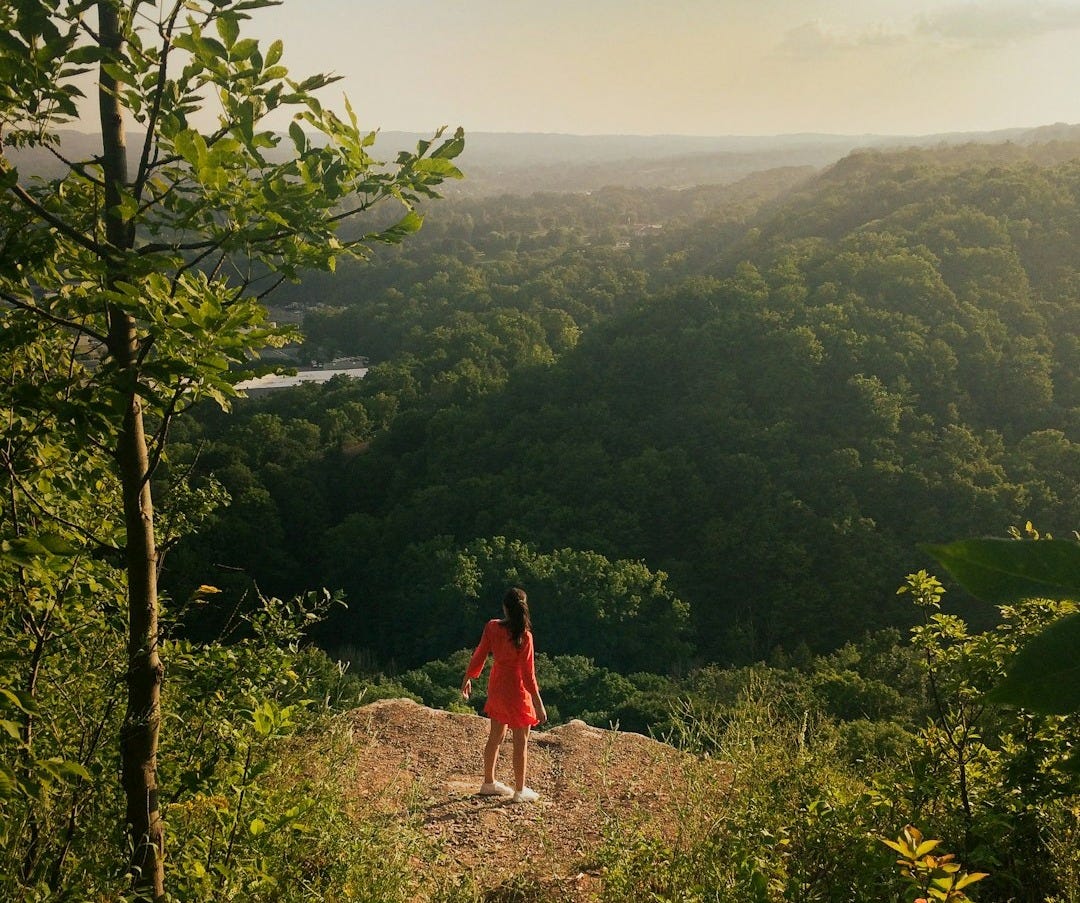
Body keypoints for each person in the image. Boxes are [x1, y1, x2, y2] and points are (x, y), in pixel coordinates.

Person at [461, 586, 548, 803]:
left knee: (495, 737)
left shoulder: (492, 627)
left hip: (498, 686)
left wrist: (468, 677)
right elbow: (529, 676)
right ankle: (520, 790)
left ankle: (488, 782)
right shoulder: (524, 636)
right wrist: (538, 704)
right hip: (517, 691)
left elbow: (480, 653)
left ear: (505, 608)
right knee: (521, 741)